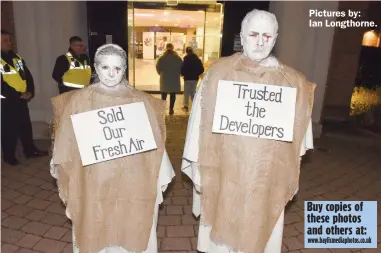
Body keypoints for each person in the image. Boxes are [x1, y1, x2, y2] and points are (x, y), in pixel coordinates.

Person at [181, 9, 315, 253]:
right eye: (253, 34)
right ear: (241, 37)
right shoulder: (216, 74)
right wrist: (199, 165)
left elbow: (298, 141)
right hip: (224, 170)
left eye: (267, 35)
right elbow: (197, 126)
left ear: (275, 39)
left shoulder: (292, 83)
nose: (260, 41)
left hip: (265, 176)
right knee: (221, 236)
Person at [50, 44, 175, 253]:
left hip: (132, 178)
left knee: (130, 220)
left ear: (124, 69)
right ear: (96, 68)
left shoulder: (140, 100)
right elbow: (67, 140)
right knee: (96, 220)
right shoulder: (79, 101)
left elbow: (154, 142)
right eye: (105, 67)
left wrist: (158, 170)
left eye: (117, 69)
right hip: (93, 177)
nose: (110, 73)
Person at [1, 30, 48, 166]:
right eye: (4, 40)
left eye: (9, 40)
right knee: (9, 130)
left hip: (21, 100)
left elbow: (27, 75)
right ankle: (9, 156)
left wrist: (29, 91)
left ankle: (30, 151)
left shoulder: (17, 58)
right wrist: (17, 95)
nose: (9, 42)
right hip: (6, 102)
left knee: (25, 126)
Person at [156, 43, 183, 115]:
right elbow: (181, 67)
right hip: (174, 79)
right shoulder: (177, 58)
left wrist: (161, 73)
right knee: (173, 94)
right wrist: (179, 74)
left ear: (166, 48)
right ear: (173, 48)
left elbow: (158, 67)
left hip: (164, 78)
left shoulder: (162, 58)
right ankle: (171, 109)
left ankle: (163, 108)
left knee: (163, 95)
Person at [181, 47, 204, 112]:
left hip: (187, 78)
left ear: (186, 52)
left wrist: (183, 74)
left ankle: (186, 106)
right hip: (195, 78)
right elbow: (202, 69)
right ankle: (194, 105)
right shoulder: (197, 60)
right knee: (192, 91)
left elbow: (182, 69)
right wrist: (197, 73)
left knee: (186, 92)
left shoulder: (185, 60)